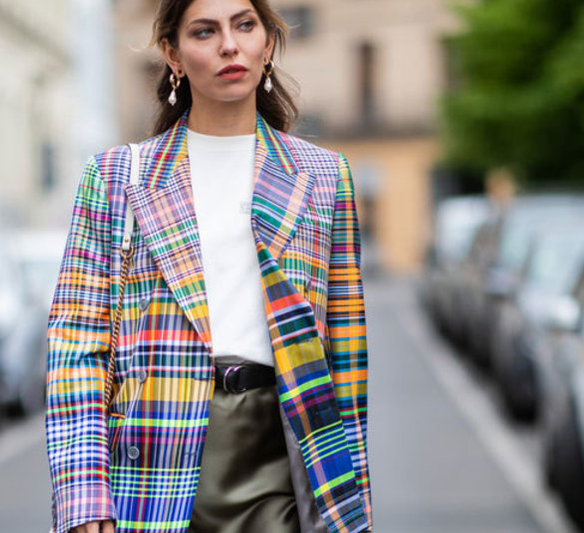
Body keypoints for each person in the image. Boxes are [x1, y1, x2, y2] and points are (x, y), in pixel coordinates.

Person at [45, 0, 371, 531]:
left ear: (267, 43)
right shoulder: (116, 177)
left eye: (245, 25)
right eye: (204, 31)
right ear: (173, 54)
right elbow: (76, 346)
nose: (229, 45)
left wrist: (353, 509)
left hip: (283, 460)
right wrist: (83, 495)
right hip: (150, 464)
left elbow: (346, 358)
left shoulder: (324, 177)